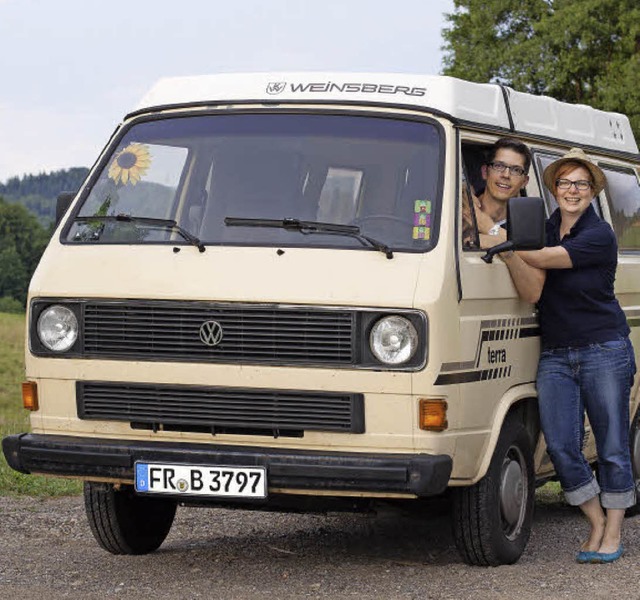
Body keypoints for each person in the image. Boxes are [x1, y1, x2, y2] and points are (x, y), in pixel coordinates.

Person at [481, 147, 637, 564]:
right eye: (565, 182)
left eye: (581, 184)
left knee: (613, 445)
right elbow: (527, 262)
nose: (572, 190)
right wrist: (503, 236)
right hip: (556, 353)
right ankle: (596, 520)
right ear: (553, 188)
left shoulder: (599, 233)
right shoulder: (545, 226)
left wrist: (499, 238)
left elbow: (547, 260)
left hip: (604, 348)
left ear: (592, 191)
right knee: (562, 446)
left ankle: (614, 529)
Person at [462, 137, 531, 248]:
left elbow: (532, 253)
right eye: (499, 166)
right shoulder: (461, 207)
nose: (506, 175)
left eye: (516, 170)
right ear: (485, 172)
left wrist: (489, 228)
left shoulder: (529, 227)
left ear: (524, 182)